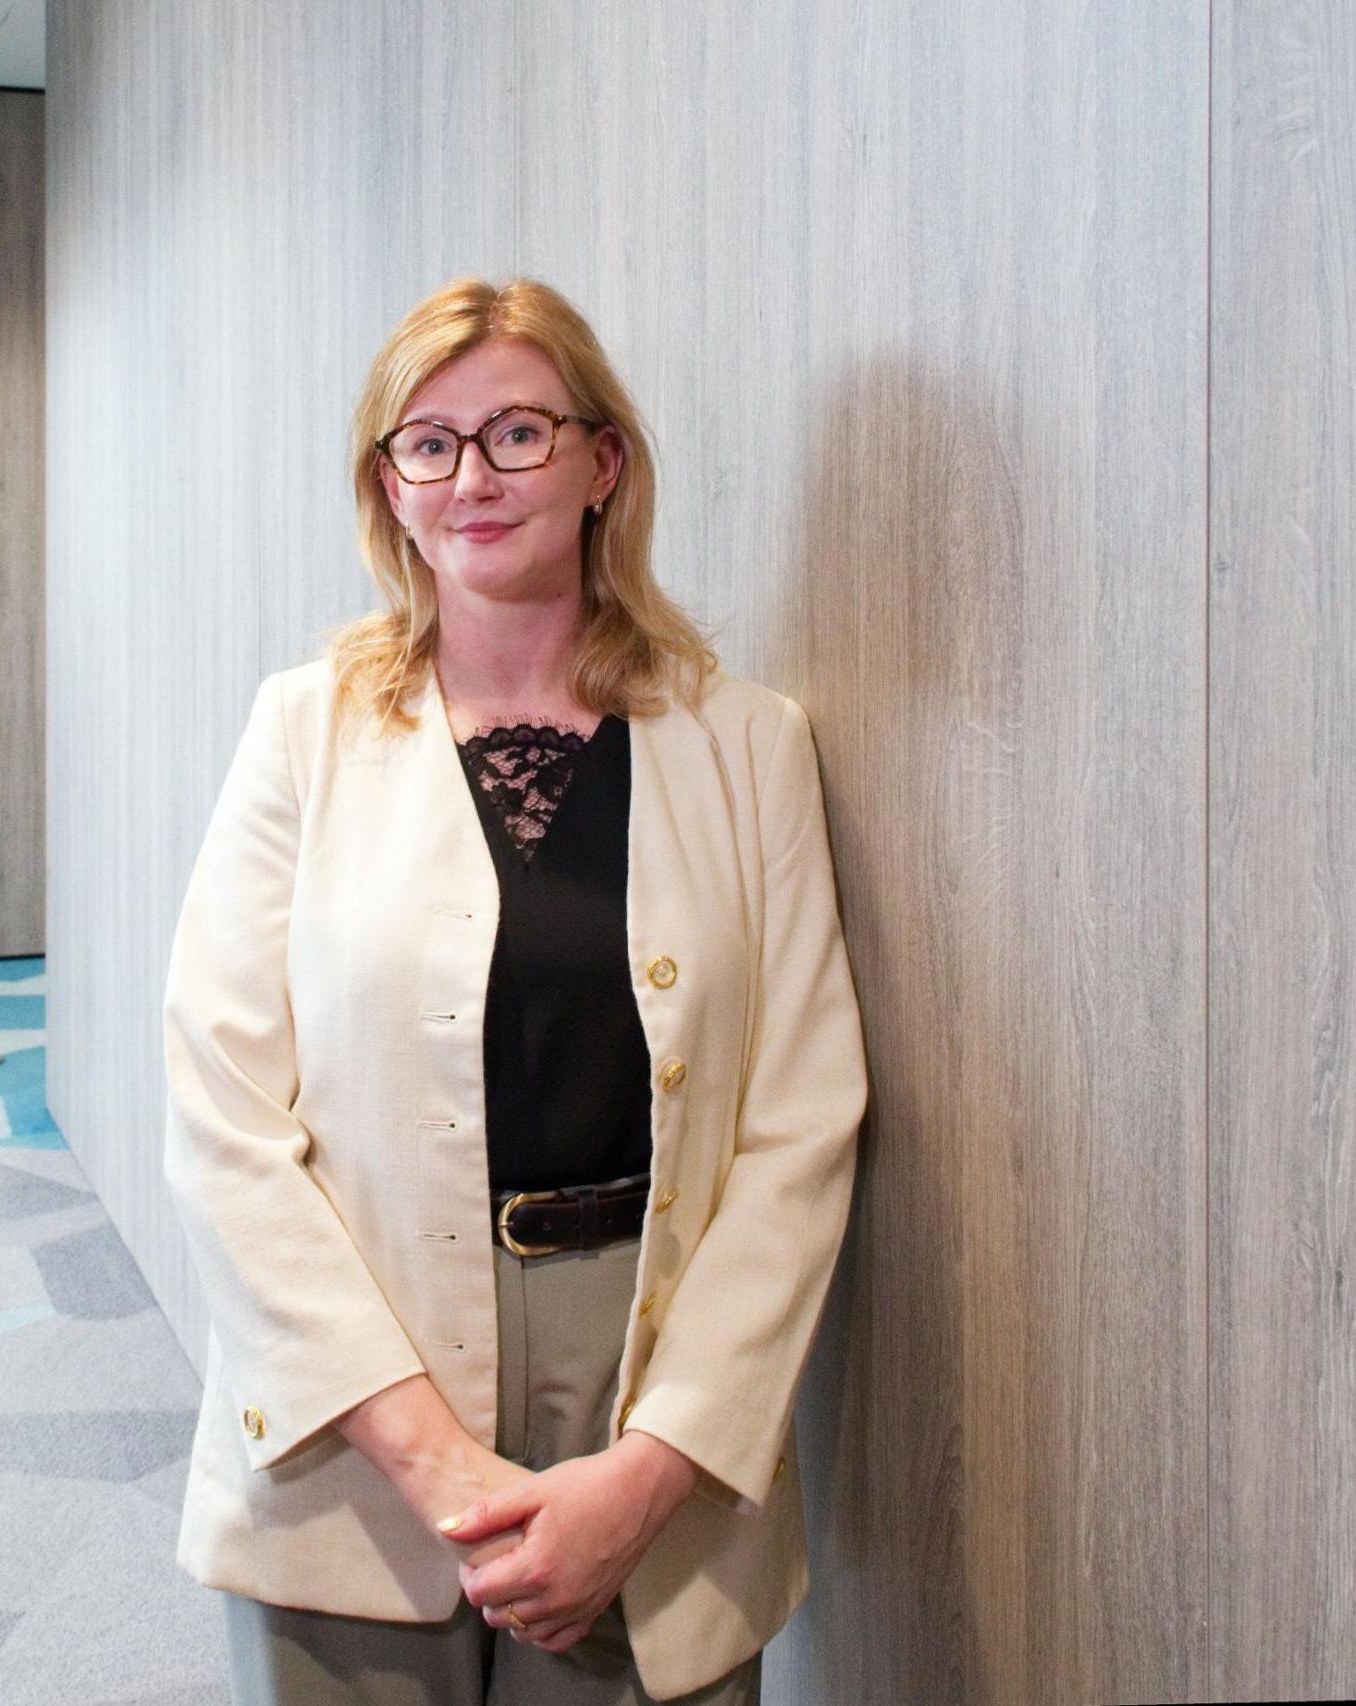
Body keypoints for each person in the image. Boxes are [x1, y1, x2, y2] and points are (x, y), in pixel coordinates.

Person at [160, 274, 868, 1705]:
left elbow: (802, 1129)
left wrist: (652, 1470)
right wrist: (432, 1458)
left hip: (652, 1384)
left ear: (604, 462)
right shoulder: (304, 732)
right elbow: (222, 1114)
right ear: (391, 487)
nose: (473, 476)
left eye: (518, 433)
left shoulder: (749, 745)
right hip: (364, 1390)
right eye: (430, 443)